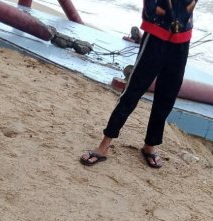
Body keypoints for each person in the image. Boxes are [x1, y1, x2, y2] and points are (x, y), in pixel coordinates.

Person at [80, 0, 197, 169]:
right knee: (132, 92)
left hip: (182, 40)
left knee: (166, 97)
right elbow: (150, 9)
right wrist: (169, 13)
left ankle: (150, 145)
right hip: (156, 37)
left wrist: (178, 15)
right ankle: (104, 145)